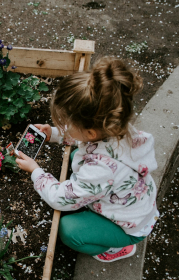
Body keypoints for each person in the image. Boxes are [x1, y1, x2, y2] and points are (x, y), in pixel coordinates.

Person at [16, 56, 159, 262]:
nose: (65, 125)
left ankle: (115, 248)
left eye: (67, 123)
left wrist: (36, 171)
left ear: (91, 132)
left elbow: (59, 199)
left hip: (127, 226)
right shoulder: (117, 127)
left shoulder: (100, 170)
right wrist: (54, 134)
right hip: (131, 201)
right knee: (76, 155)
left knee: (69, 230)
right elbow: (84, 139)